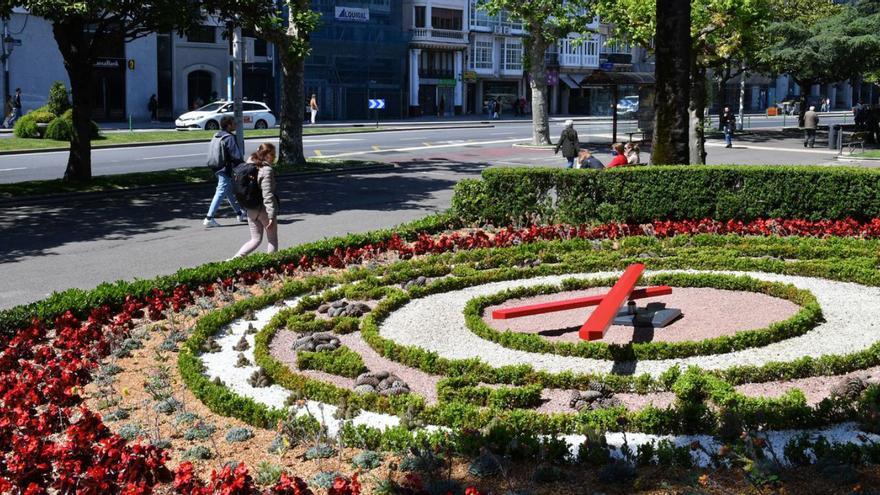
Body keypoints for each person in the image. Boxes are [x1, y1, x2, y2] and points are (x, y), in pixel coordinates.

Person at [234, 143, 280, 257]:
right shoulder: (266, 170)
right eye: (272, 154)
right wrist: (271, 215)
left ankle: (233, 261)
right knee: (272, 240)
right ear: (265, 155)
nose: (274, 157)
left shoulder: (249, 165)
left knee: (255, 240)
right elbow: (267, 194)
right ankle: (271, 266)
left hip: (250, 209)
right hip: (263, 209)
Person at [204, 116, 247, 227]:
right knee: (221, 191)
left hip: (216, 166)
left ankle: (239, 213)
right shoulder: (229, 138)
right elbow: (236, 156)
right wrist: (244, 166)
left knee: (227, 191)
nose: (235, 125)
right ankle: (209, 218)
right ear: (228, 125)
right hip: (226, 168)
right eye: (233, 123)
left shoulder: (217, 135)